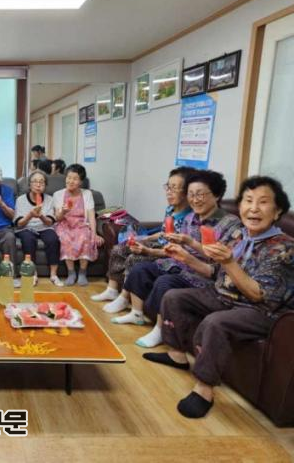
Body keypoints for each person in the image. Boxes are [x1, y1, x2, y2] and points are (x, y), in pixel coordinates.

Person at [144, 176, 294, 419]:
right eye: (248, 200)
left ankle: (204, 389)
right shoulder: (239, 236)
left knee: (215, 322)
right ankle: (176, 355)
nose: (254, 208)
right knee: (174, 297)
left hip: (261, 311)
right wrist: (186, 258)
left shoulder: (285, 248)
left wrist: (229, 262)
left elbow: (259, 295)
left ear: (277, 211)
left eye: (263, 202)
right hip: (224, 296)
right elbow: (214, 271)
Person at [111, 170, 242, 349]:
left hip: (201, 273)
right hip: (178, 263)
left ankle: (160, 330)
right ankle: (136, 313)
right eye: (191, 195)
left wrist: (188, 249)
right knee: (140, 268)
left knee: (165, 282)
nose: (195, 200)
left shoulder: (229, 223)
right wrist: (154, 250)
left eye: (200, 194)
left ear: (217, 195)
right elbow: (175, 247)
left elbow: (218, 263)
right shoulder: (190, 218)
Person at [94, 167, 194, 311]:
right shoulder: (170, 209)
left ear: (187, 192)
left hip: (169, 252)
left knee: (134, 258)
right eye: (168, 187)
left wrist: (147, 250)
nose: (168, 192)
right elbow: (164, 232)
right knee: (119, 249)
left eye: (174, 188)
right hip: (159, 244)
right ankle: (112, 289)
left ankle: (124, 297)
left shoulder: (189, 218)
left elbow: (177, 250)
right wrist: (145, 238)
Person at [53, 163, 104, 286]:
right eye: (69, 177)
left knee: (85, 237)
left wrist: (94, 233)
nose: (71, 181)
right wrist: (63, 211)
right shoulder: (58, 195)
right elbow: (57, 218)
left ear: (81, 182)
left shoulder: (87, 194)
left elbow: (91, 216)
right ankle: (71, 273)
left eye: (75, 179)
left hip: (81, 224)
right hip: (64, 224)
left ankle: (82, 272)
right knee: (65, 238)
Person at [14, 169, 62, 286]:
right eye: (35, 181)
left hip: (44, 227)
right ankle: (33, 274)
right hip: (26, 227)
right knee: (28, 239)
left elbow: (50, 222)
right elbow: (19, 223)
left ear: (45, 185)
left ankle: (53, 275)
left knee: (53, 239)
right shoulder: (20, 200)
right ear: (29, 184)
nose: (38, 184)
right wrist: (30, 215)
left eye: (41, 182)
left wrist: (41, 216)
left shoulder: (50, 199)